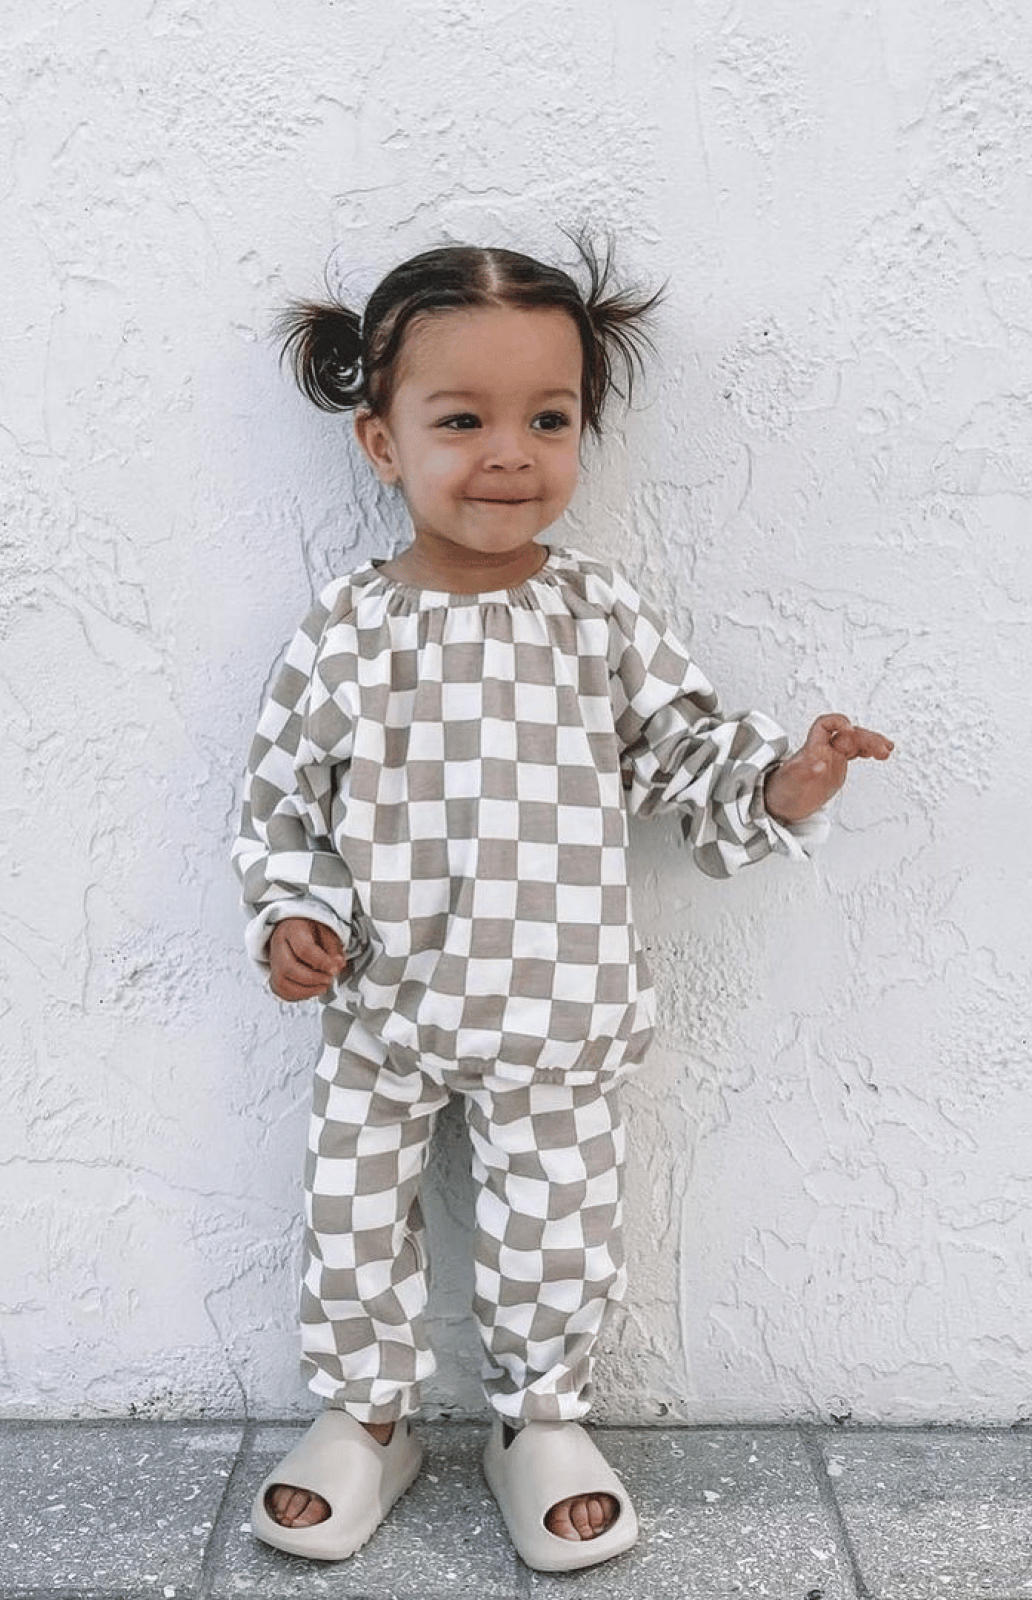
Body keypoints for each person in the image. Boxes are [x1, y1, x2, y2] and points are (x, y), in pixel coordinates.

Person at [231, 238, 893, 1572]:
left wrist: (786, 777)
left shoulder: (596, 616)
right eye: (461, 420)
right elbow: (282, 805)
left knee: (558, 1227)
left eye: (549, 419)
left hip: (558, 1010)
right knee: (354, 1211)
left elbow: (683, 752)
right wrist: (291, 916)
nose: (510, 454)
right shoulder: (346, 635)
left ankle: (540, 1419)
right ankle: (366, 1417)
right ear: (381, 441)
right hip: (383, 1004)